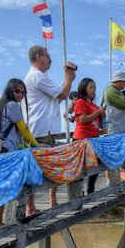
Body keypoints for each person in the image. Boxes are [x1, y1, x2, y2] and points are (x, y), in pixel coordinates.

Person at [23, 45, 77, 214]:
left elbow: (57, 98)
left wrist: (68, 80)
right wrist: (69, 77)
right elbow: (63, 95)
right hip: (41, 131)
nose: (50, 60)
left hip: (40, 130)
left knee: (47, 166)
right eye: (47, 56)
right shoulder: (37, 76)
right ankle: (32, 206)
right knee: (39, 168)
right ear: (38, 57)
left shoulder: (36, 77)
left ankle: (43, 203)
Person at [0, 79, 38, 227]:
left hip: (0, 151)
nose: (20, 94)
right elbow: (24, 129)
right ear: (10, 90)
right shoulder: (12, 105)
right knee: (6, 185)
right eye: (17, 91)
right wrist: (36, 145)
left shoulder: (1, 106)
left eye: (23, 92)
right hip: (7, 152)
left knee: (2, 185)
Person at [72, 77, 106, 194]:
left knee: (97, 164)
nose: (94, 90)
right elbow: (83, 119)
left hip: (94, 140)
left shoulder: (95, 106)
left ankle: (90, 189)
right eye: (91, 87)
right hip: (81, 139)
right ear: (83, 88)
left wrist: (101, 115)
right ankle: (79, 191)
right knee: (80, 167)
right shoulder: (80, 102)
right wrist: (98, 112)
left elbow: (96, 124)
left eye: (95, 88)